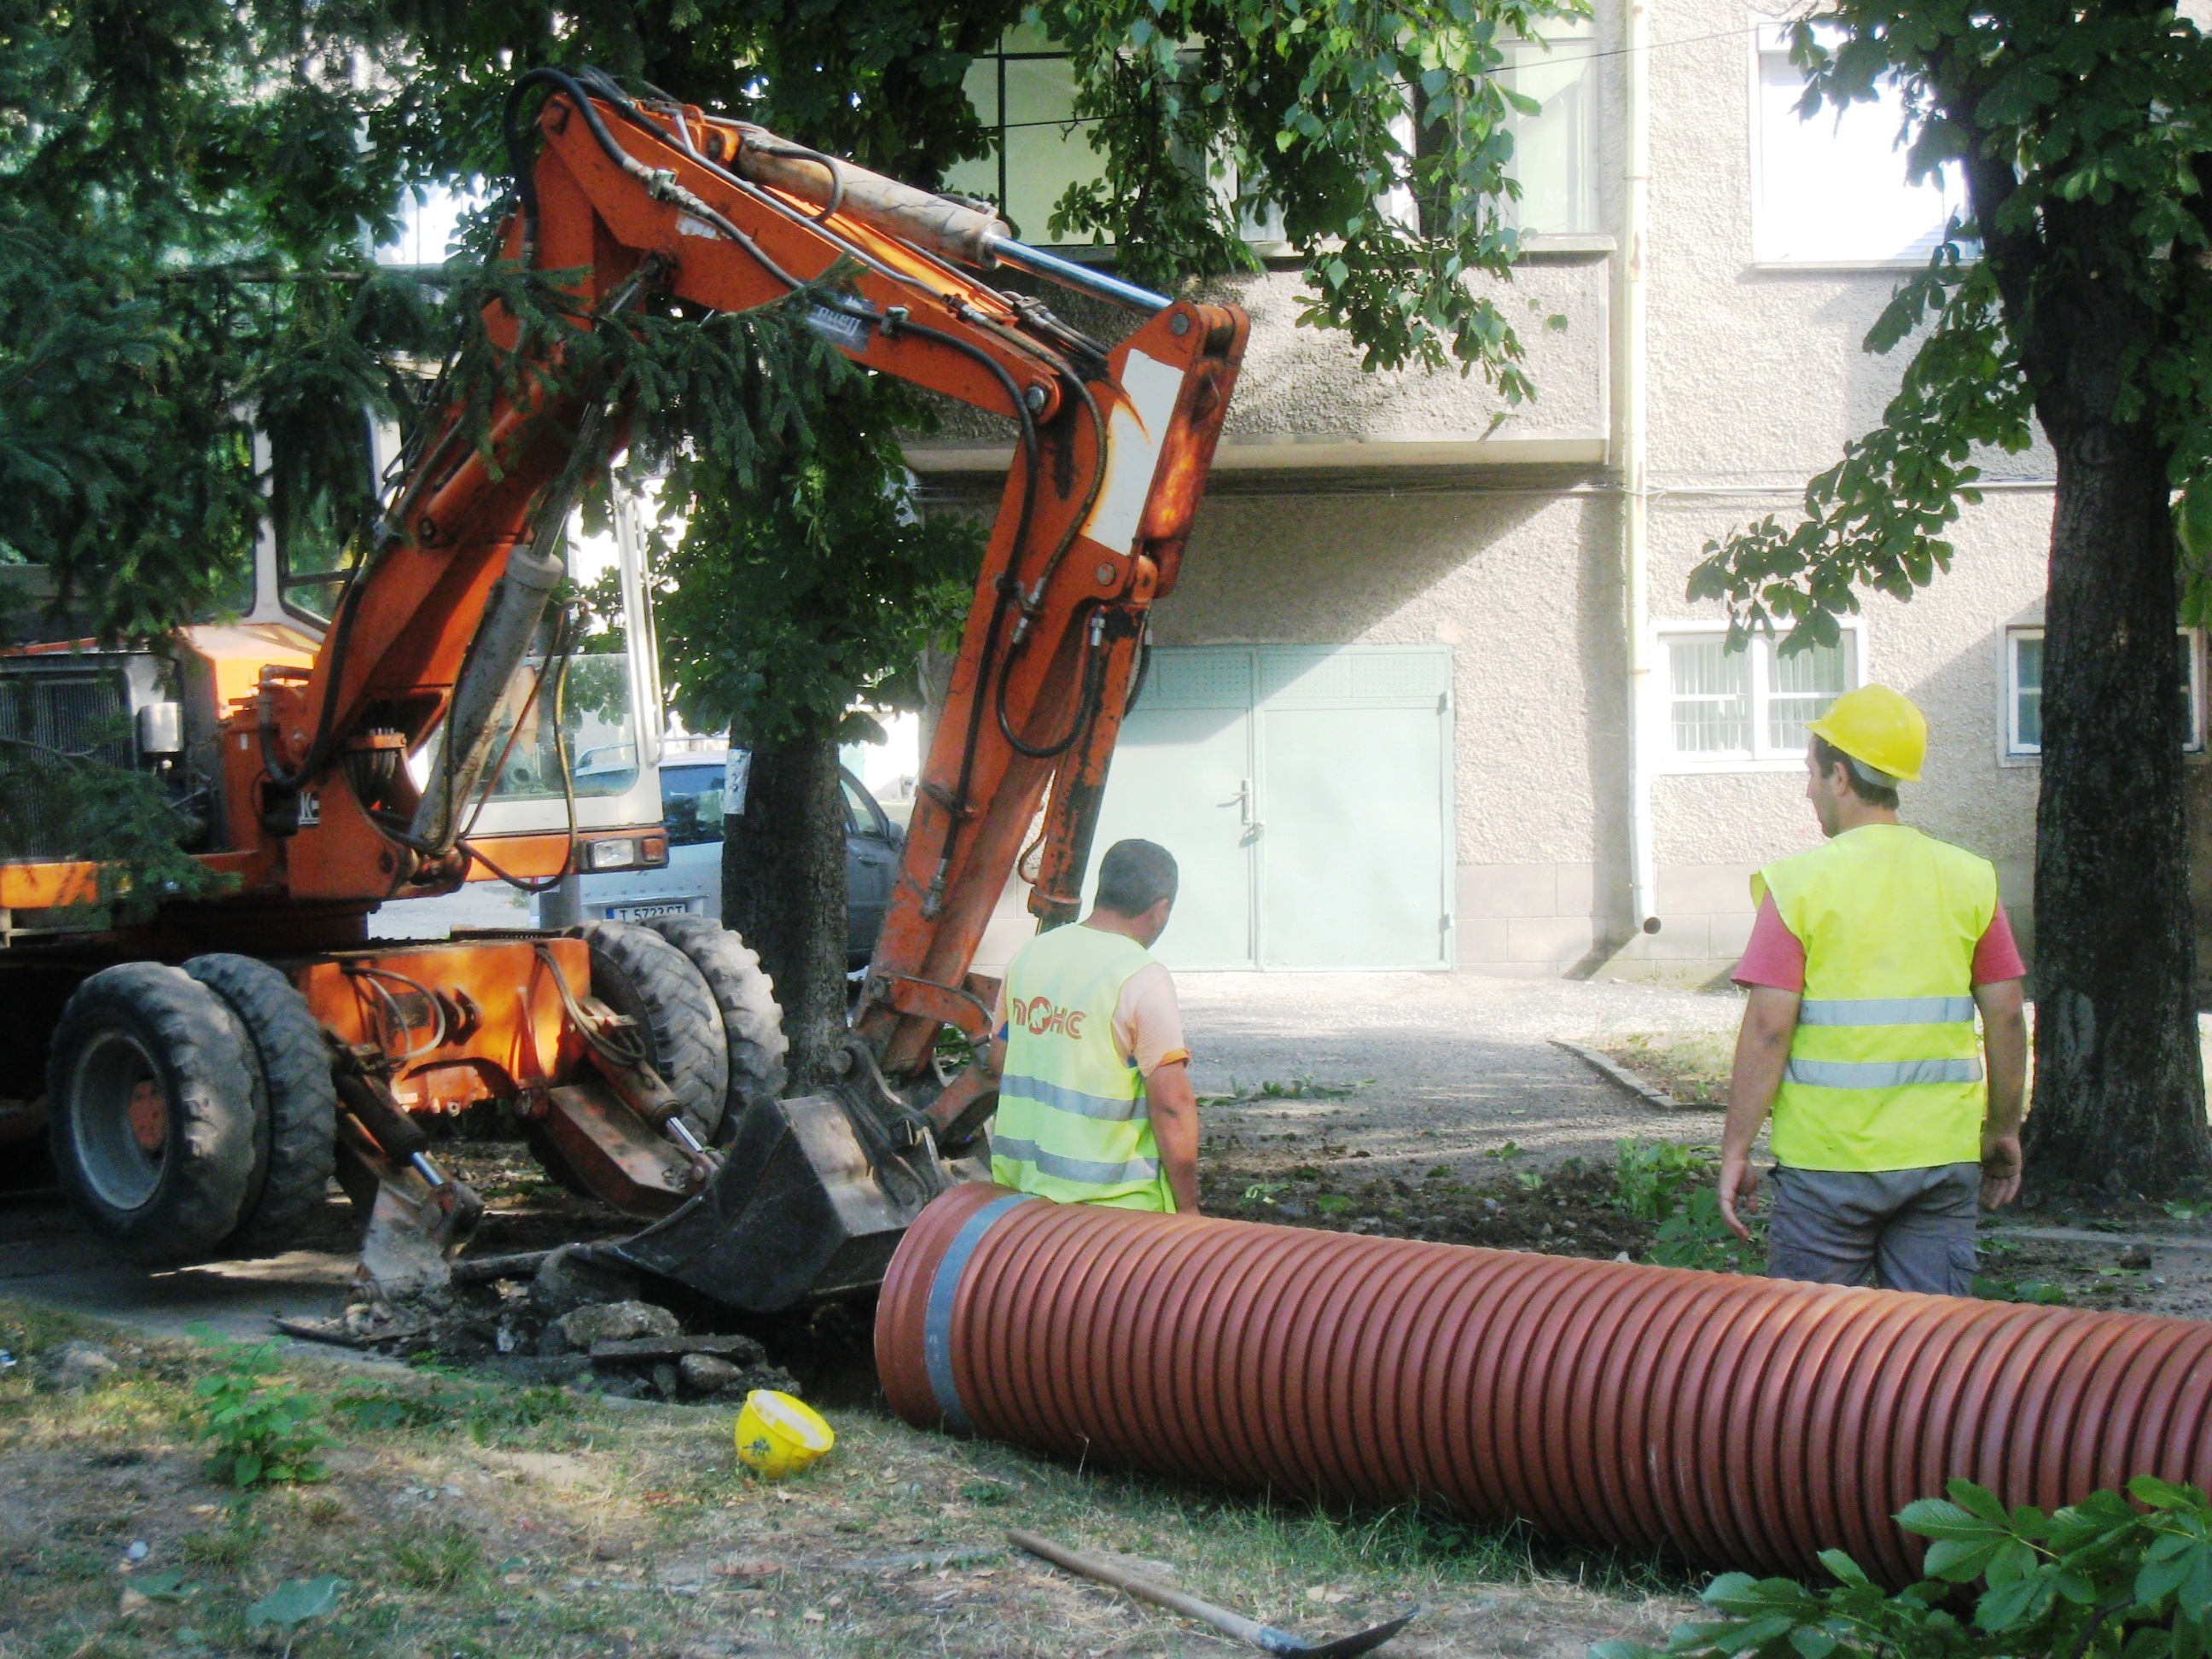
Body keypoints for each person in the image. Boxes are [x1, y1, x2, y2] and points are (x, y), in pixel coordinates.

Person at [1717, 684, 2029, 1295]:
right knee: (1929, 1349)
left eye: (1810, 772)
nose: (1806, 789)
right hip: (1939, 1161)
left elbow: (1768, 1027)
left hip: (1827, 1167)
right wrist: (2002, 1129)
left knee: (1811, 1347)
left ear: (1839, 776)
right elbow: (2008, 1016)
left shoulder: (1798, 886)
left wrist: (1736, 1150)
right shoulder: (1970, 879)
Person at [984, 838, 1201, 1214]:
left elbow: (1001, 1058)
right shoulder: (1141, 977)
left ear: (1101, 893)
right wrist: (1189, 1208)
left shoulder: (1030, 955)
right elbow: (1172, 1106)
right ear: (1160, 910)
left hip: (1022, 1197)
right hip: (1113, 1209)